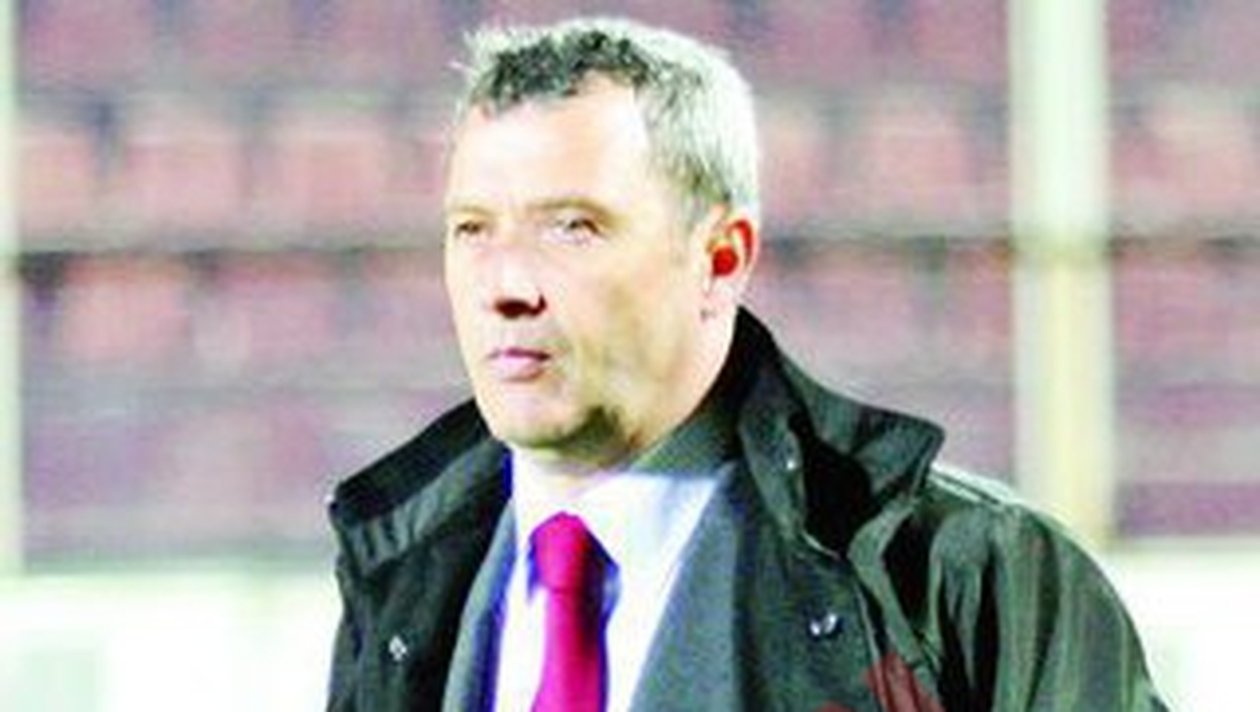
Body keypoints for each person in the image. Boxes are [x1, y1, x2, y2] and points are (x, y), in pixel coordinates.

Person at [325, 16, 1167, 712]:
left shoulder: (970, 579)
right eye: (473, 229)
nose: (505, 285)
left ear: (721, 259)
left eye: (572, 227)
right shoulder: (400, 585)